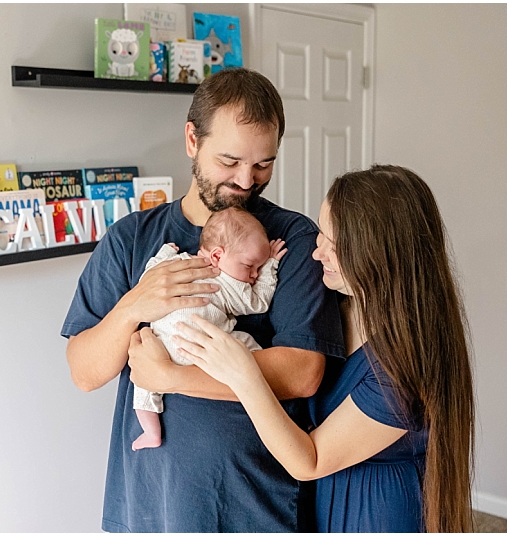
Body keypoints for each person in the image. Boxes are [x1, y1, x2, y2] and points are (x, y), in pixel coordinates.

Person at [62, 68, 343, 532]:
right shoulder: (131, 240)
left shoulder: (290, 239)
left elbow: (302, 373)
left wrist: (173, 377)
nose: (246, 180)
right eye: (230, 161)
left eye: (263, 164)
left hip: (256, 503)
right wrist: (134, 305)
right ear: (192, 139)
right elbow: (83, 371)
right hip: (152, 505)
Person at [166, 165, 476, 532]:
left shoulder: (404, 367)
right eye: (321, 235)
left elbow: (308, 460)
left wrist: (241, 372)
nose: (317, 254)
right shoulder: (340, 306)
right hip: (324, 500)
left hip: (376, 513)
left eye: (335, 244)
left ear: (381, 253)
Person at [132, 207, 288, 451]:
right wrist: (270, 267)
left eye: (259, 268)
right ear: (217, 256)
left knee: (142, 385)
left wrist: (163, 254)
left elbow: (148, 278)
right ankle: (263, 391)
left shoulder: (176, 264)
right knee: (244, 346)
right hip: (205, 351)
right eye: (250, 266)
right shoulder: (226, 283)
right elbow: (257, 303)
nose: (254, 275)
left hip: (163, 348)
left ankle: (151, 431)